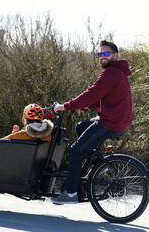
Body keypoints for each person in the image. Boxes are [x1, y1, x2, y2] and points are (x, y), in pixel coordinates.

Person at [50, 40, 133, 204]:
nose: (102, 57)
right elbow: (104, 97)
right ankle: (93, 160)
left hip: (110, 121)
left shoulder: (111, 72)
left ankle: (71, 193)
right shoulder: (119, 72)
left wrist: (64, 106)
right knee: (80, 126)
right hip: (119, 120)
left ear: (115, 55)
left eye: (106, 53)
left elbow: (91, 93)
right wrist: (88, 107)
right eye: (100, 54)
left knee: (75, 152)